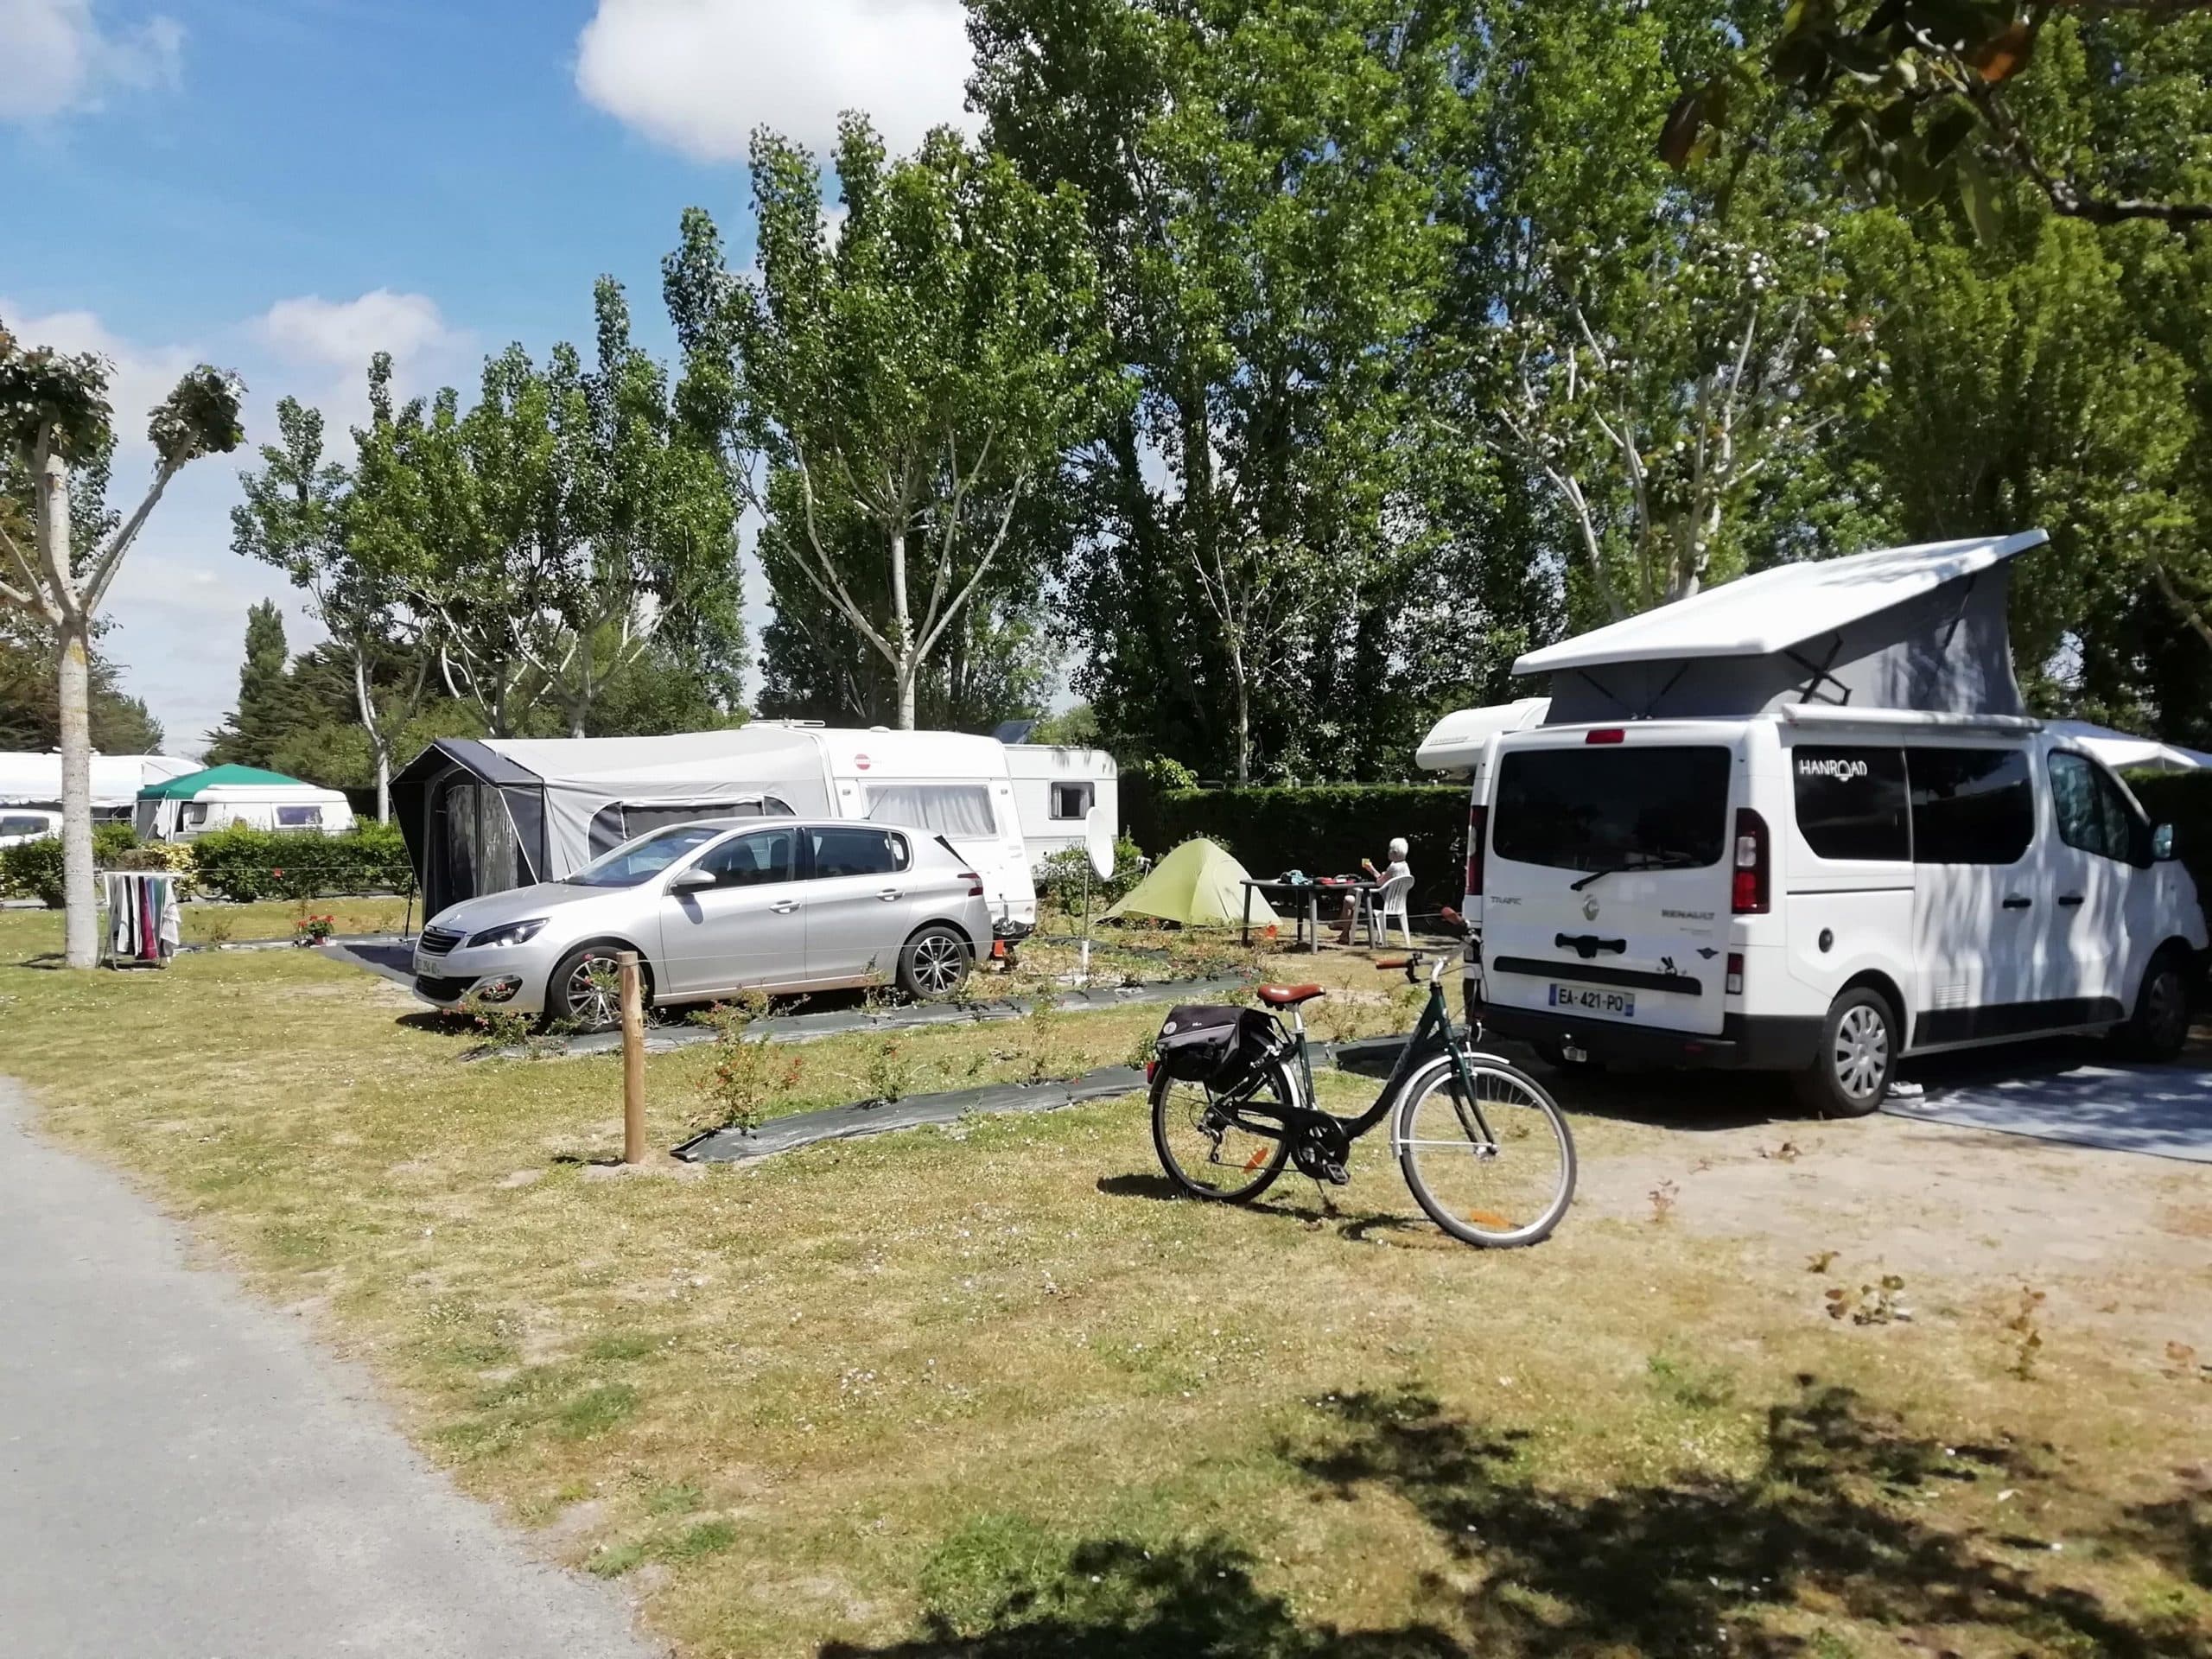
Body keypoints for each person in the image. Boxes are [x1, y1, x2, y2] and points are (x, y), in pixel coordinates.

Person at [1337, 836, 1412, 945]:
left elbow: (1379, 883)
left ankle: (1342, 928)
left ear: (1394, 852)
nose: (1388, 852)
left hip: (1383, 902)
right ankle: (1342, 927)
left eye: (1389, 850)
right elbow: (1385, 881)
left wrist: (1371, 869)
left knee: (1350, 897)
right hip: (1396, 903)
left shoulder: (1394, 867)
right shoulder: (1405, 866)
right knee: (1351, 896)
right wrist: (1380, 874)